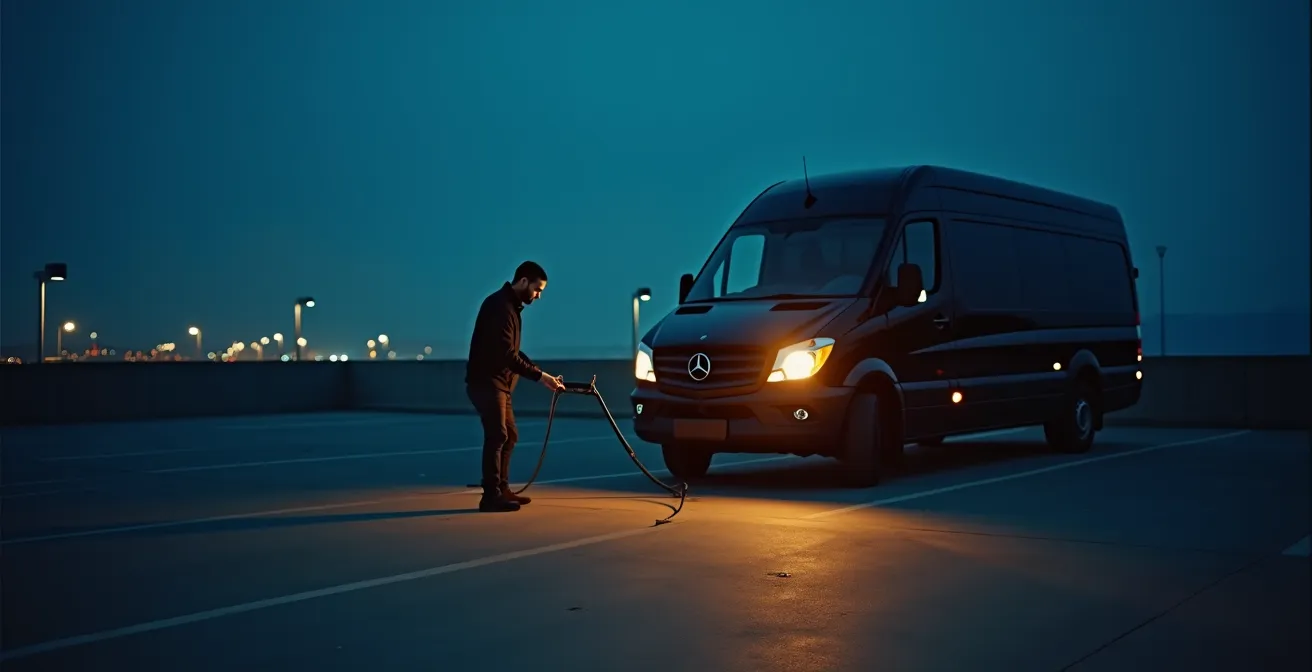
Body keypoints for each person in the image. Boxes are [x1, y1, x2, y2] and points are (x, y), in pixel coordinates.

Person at [465, 261, 565, 512]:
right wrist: (541, 377)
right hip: (487, 382)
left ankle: (503, 489)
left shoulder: (510, 307)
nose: (538, 295)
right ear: (523, 281)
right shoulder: (500, 307)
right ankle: (490, 496)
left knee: (510, 436)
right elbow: (506, 354)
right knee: (498, 435)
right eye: (537, 289)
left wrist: (542, 373)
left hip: (500, 383)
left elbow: (513, 351)